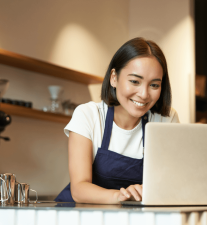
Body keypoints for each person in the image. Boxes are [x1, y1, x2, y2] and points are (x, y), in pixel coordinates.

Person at [54, 37, 180, 204]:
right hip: (81, 215)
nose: (144, 94)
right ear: (114, 78)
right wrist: (121, 196)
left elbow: (170, 182)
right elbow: (79, 188)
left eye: (154, 85)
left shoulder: (165, 120)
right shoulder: (88, 115)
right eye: (135, 81)